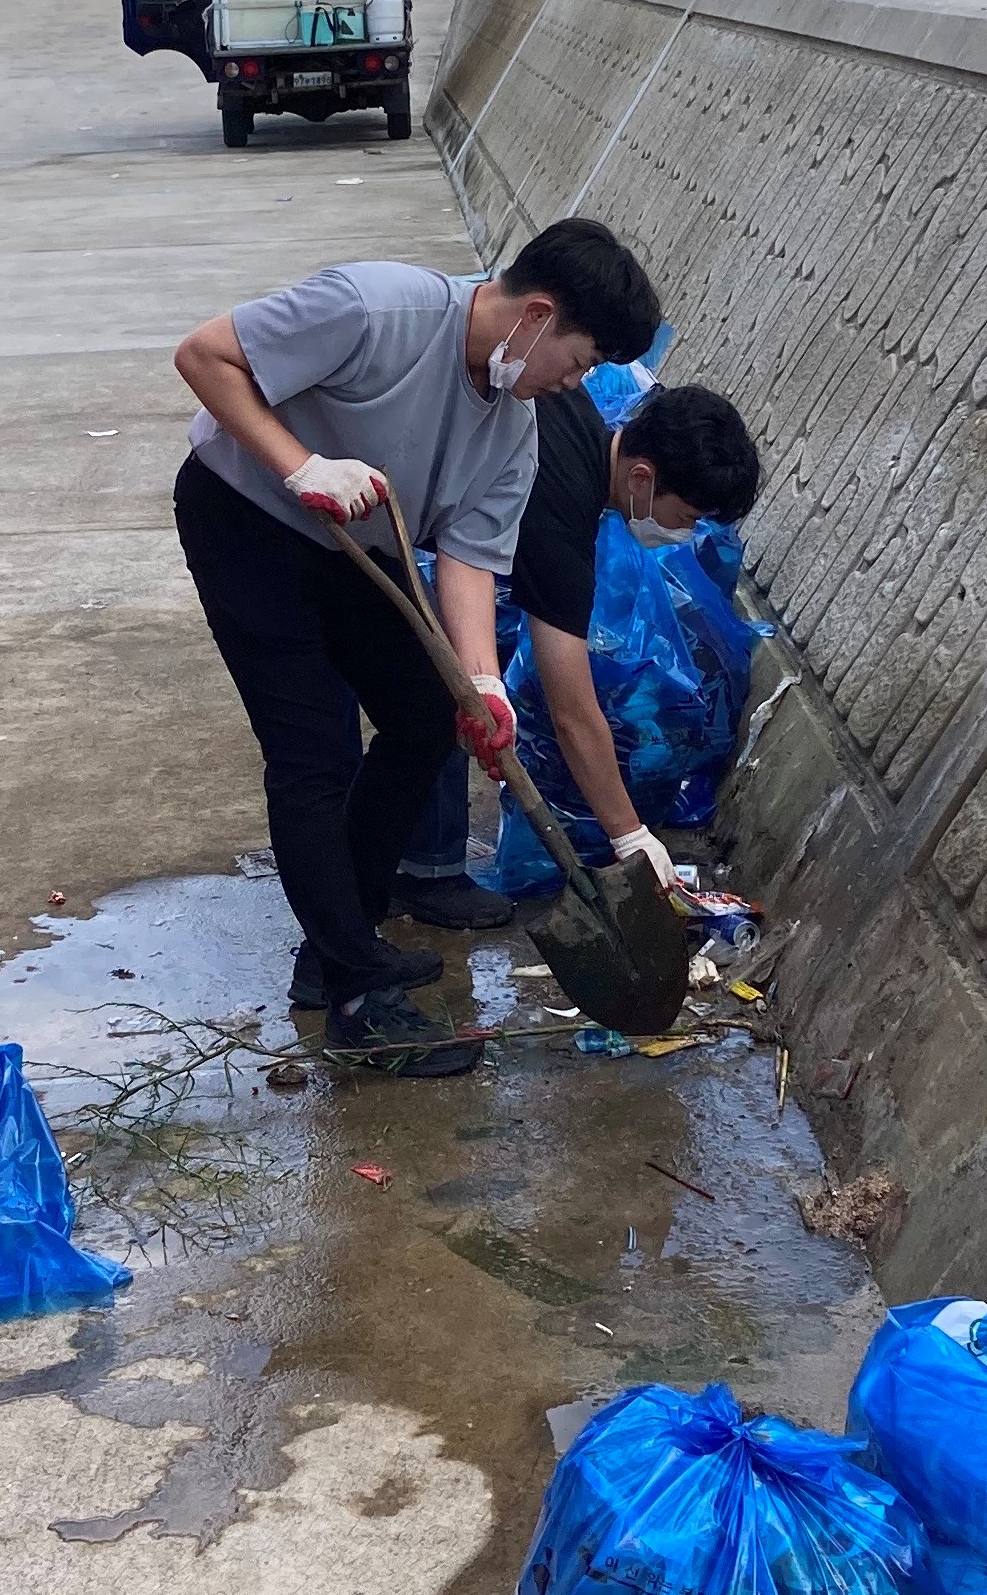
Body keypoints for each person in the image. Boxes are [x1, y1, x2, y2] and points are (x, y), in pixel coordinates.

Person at [171, 219, 663, 1078]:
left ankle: (338, 945)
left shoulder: (516, 424)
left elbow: (470, 561)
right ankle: (358, 1002)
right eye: (579, 361)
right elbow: (204, 355)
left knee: (423, 716)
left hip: (361, 544)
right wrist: (299, 465)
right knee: (312, 750)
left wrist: (482, 685)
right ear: (536, 317)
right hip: (245, 515)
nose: (572, 383)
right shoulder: (375, 306)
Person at [393, 382, 763, 922]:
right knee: (410, 712)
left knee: (434, 705)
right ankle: (379, 913)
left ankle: (410, 871)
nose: (686, 535)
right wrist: (630, 834)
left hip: (416, 522)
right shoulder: (562, 516)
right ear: (642, 478)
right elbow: (571, 712)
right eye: (685, 517)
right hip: (357, 516)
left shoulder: (573, 416)